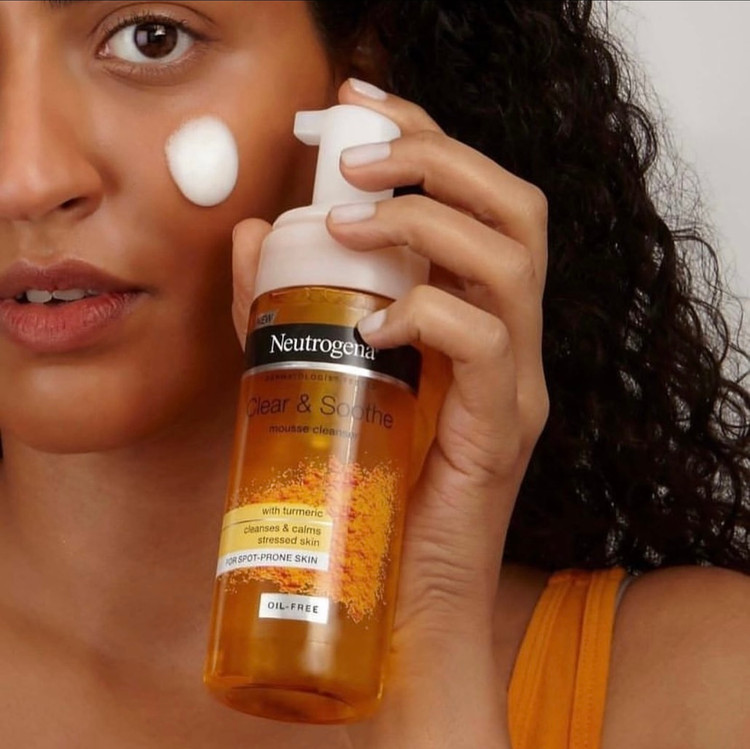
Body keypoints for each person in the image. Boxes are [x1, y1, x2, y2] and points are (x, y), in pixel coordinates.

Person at [0, 1, 747, 747]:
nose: (24, 182)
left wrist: (429, 634)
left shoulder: (701, 688)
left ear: (360, 76)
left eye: (152, 39)